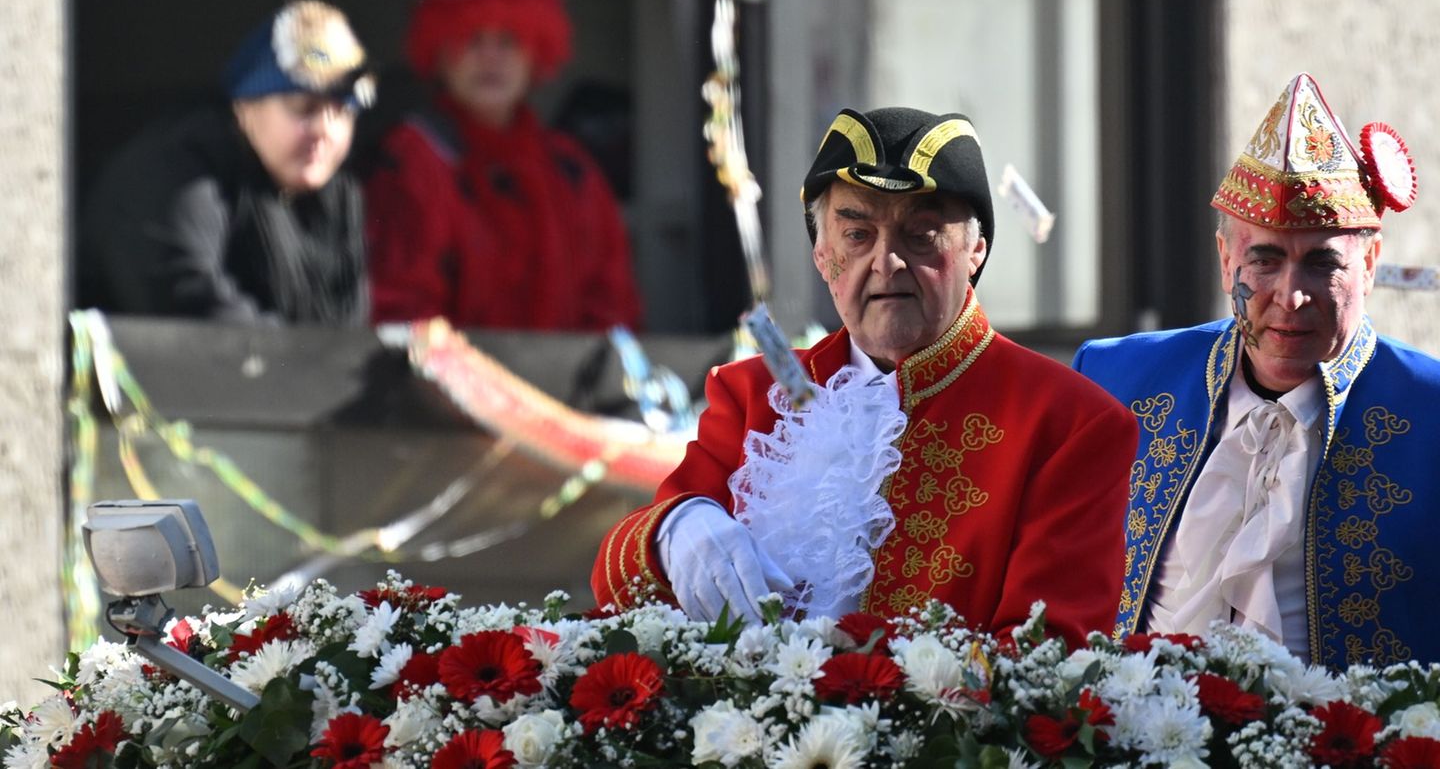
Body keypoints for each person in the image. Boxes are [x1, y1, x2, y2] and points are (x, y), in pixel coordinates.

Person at [592, 107, 1138, 646]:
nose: (887, 261)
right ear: (821, 253)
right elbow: (616, 590)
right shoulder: (752, 393)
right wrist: (674, 528)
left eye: (921, 234)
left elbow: (1048, 661)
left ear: (976, 249)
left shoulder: (1070, 422)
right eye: (857, 235)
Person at [1074, 72, 1437, 669]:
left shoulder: (1433, 410)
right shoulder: (1115, 379)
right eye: (1264, 260)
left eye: (1323, 264)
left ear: (1370, 263)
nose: (1290, 297)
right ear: (1225, 261)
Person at [365, 0, 642, 331]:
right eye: (471, 38)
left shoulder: (571, 168)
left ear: (535, 54)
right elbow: (403, 311)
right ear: (442, 55)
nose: (490, 57)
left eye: (509, 40)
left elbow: (613, 312)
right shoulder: (413, 158)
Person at [78, 0, 374, 325]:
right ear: (245, 105)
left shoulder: (338, 197)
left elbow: (344, 336)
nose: (325, 130)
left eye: (344, 112)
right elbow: (196, 314)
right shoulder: (175, 171)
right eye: (304, 106)